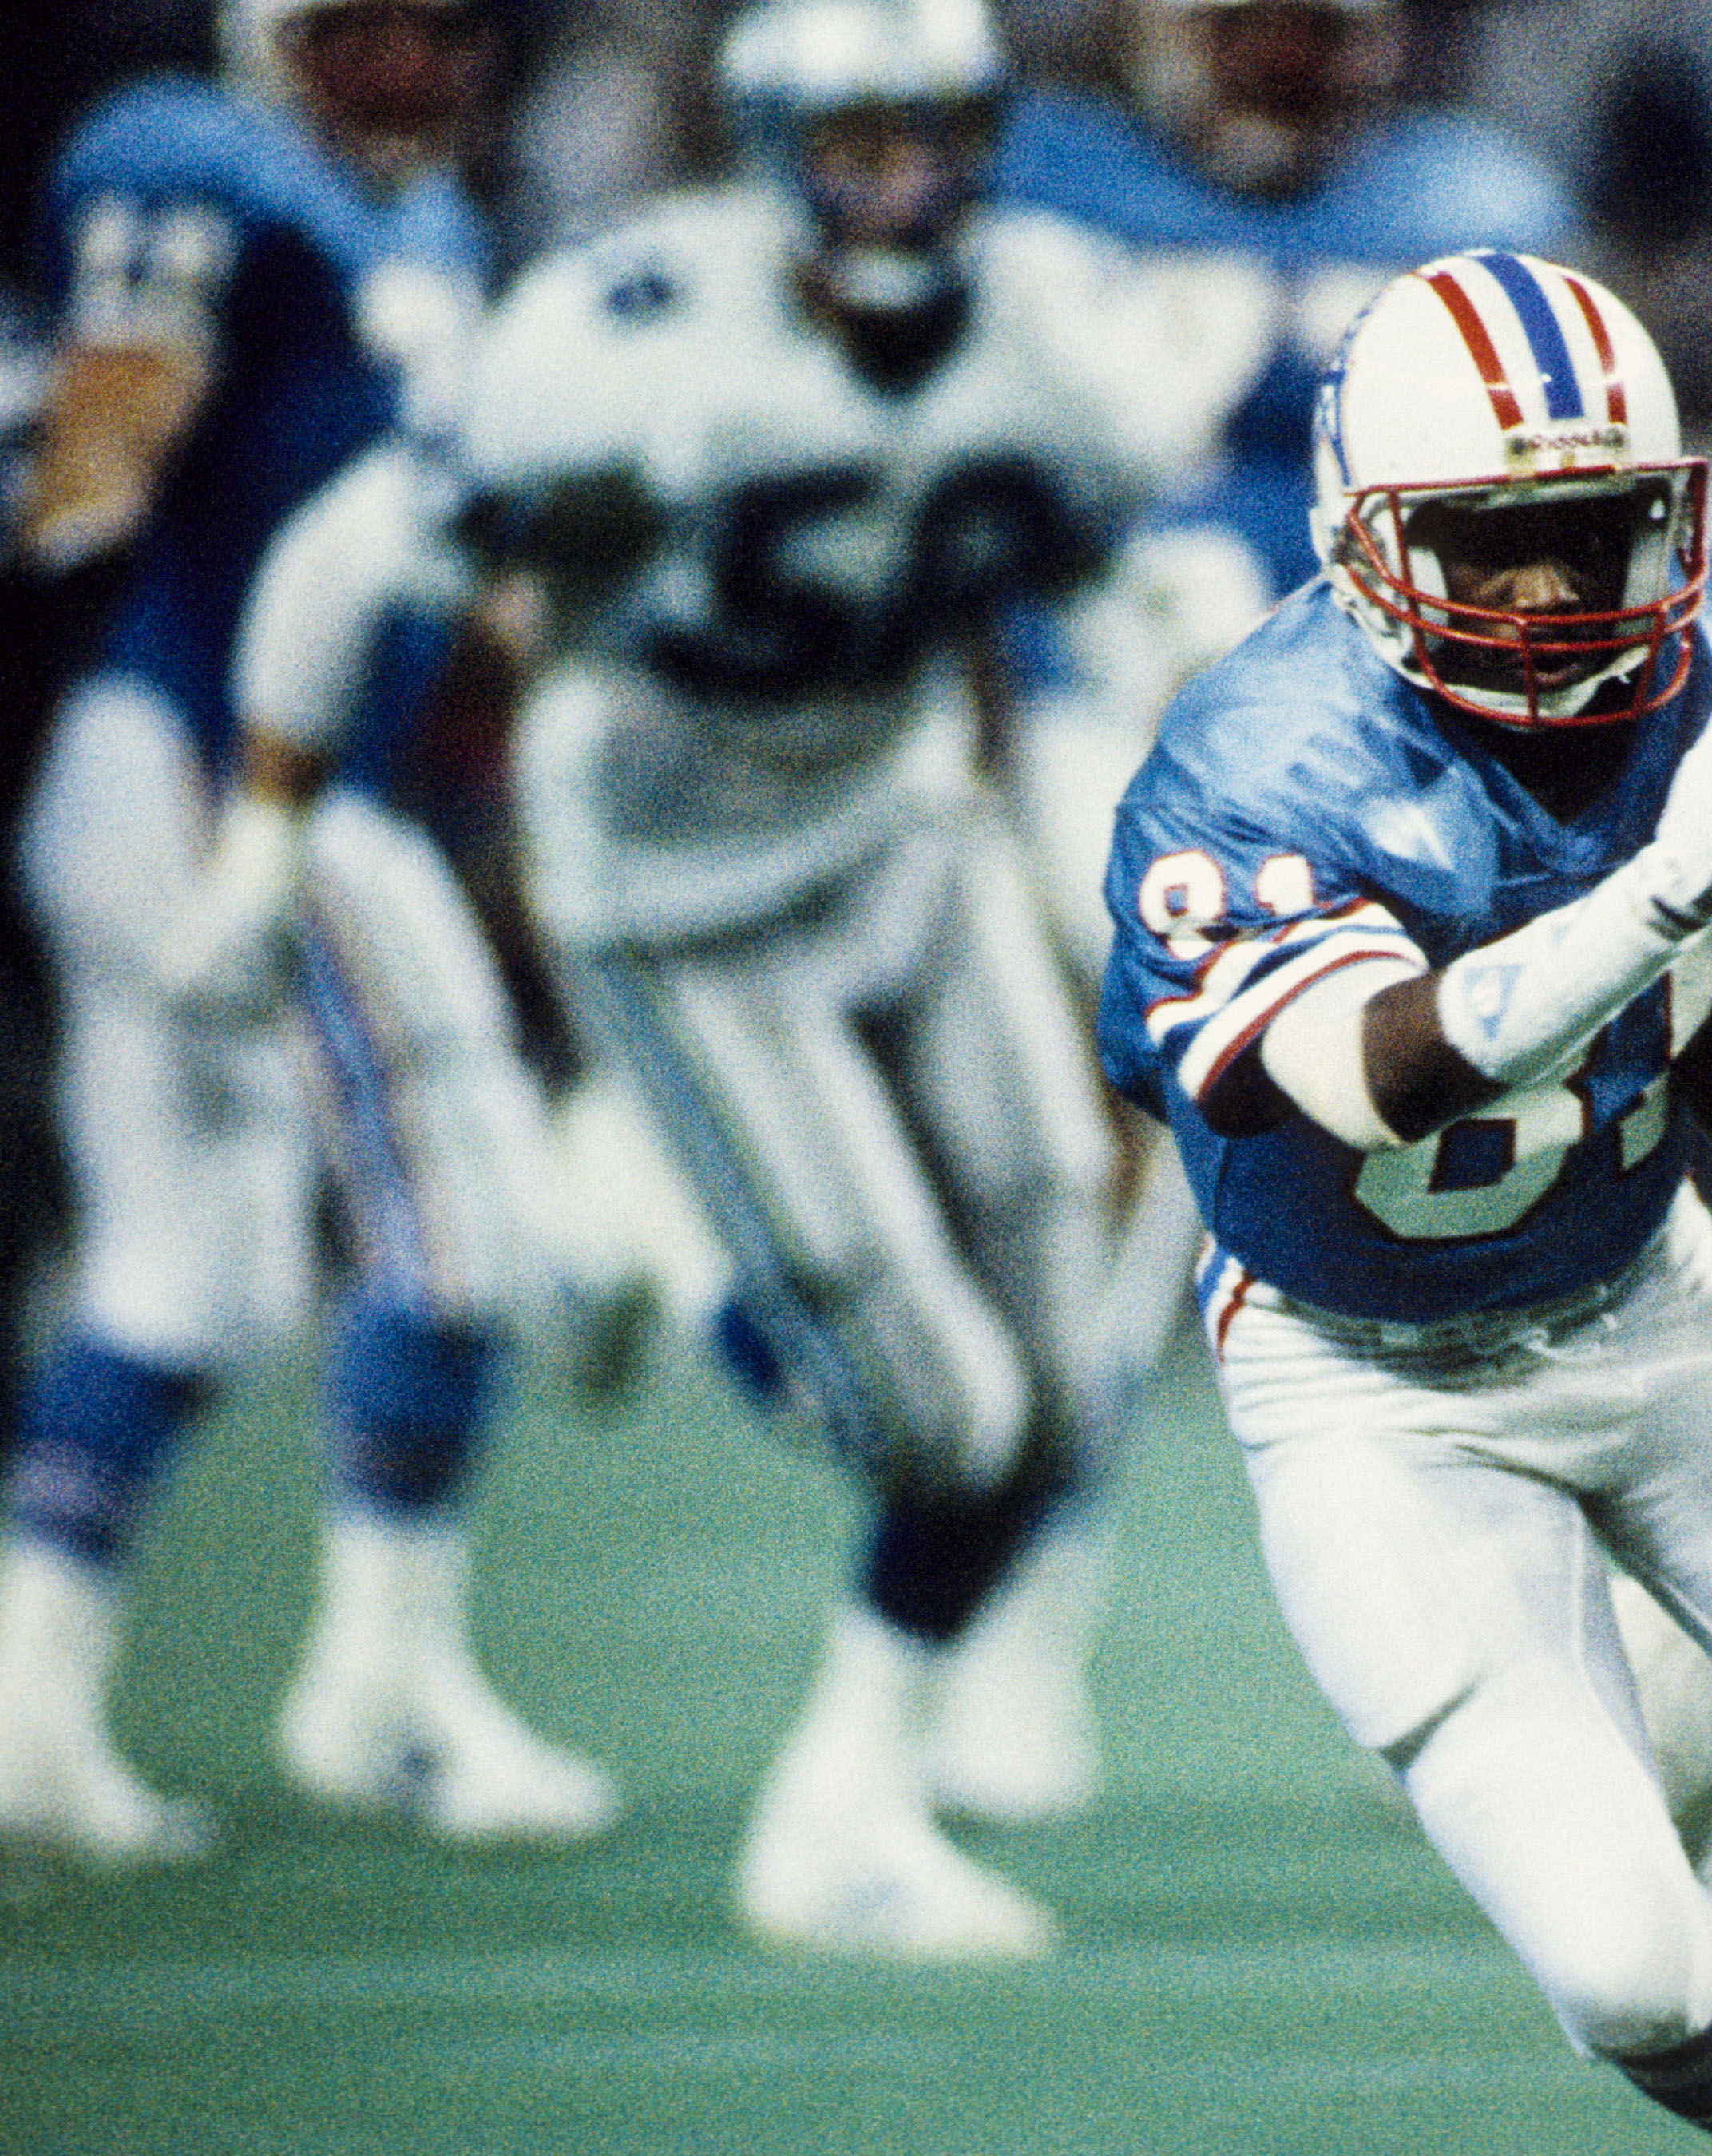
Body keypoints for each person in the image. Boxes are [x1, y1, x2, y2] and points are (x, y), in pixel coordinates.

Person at [200, 0, 1255, 1956]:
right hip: (674, 892)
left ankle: (853, 1796)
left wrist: (1165, 612)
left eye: (931, 135)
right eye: (850, 143)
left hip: (897, 830)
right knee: (941, 1410)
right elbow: (356, 561)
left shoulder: (1052, 314)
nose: (898, 185)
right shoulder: (636, 334)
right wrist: (264, 829)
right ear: (770, 146)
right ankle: (685, 1258)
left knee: (1063, 1348)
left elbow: (1100, 544)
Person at [1100, 249, 1712, 2156]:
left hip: (1650, 1305)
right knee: (1630, 1969)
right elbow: (1376, 1076)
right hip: (1371, 1384)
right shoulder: (1254, 761)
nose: (1553, 597)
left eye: (1598, 533)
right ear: (1364, 546)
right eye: (1491, 548)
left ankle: (1687, 1702)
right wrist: (1641, 911)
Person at [932, 0, 1580, 1829]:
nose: (1286, 59)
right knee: (1119, 1191)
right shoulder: (1045, 179)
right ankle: (1012, 1626)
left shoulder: (1466, 195)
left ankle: (1499, 1654)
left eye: (1321, 25)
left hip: (1386, 769)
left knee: (1474, 1201)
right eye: (1253, 22)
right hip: (1104, 742)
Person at [0, 0, 621, 1869]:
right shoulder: (195, 156)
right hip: (219, 771)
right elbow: (94, 462)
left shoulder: (417, 223)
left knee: (190, 1269)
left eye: (446, 31)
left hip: (272, 777)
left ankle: (26, 1708)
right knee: (463, 1214)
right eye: (367, 34)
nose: (418, 69)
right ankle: (387, 1689)